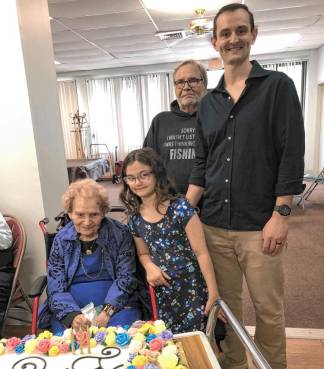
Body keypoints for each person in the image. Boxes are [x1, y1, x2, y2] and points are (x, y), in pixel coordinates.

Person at [187, 3, 305, 369]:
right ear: (214, 41)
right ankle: (235, 358)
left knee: (268, 307)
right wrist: (184, 214)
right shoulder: (209, 102)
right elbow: (204, 164)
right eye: (225, 33)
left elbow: (291, 154)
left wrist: (281, 213)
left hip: (260, 224)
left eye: (241, 31)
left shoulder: (277, 87)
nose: (232, 39)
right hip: (215, 222)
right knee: (226, 303)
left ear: (254, 34)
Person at [120, 148, 220, 334]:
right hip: (162, 292)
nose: (138, 182)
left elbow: (202, 252)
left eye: (144, 175)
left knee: (197, 342)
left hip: (192, 289)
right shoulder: (134, 216)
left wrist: (213, 292)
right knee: (168, 344)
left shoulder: (181, 208)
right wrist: (150, 267)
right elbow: (143, 253)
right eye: (131, 178)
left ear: (157, 174)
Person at [38, 179, 142, 333]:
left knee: (123, 337)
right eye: (80, 214)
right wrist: (73, 316)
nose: (87, 222)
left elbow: (125, 277)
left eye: (94, 214)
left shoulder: (120, 234)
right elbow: (56, 285)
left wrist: (108, 311)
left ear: (103, 212)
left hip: (118, 306)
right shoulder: (61, 240)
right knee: (67, 341)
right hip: (71, 308)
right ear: (70, 213)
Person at [143, 60, 207, 195]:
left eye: (193, 80)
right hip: (168, 201)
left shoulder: (216, 119)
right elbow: (146, 164)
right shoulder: (160, 121)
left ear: (204, 84)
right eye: (180, 82)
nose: (186, 87)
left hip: (210, 204)